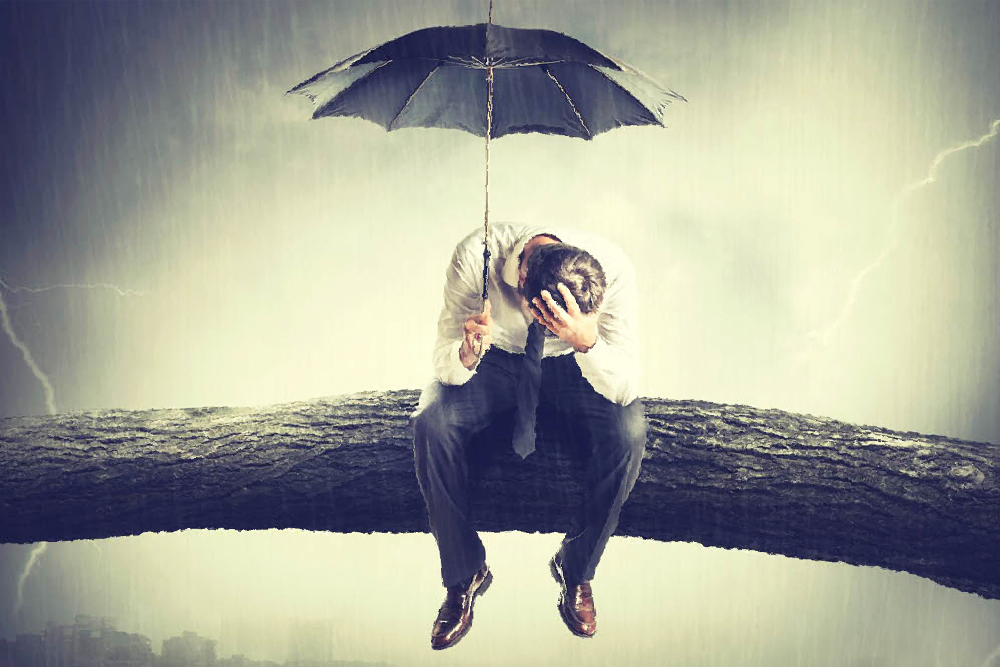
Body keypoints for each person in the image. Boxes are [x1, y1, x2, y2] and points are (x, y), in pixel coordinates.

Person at [411, 222, 646, 649]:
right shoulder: (475, 257)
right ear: (521, 280)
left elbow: (626, 386)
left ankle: (576, 569)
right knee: (432, 423)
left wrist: (586, 340)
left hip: (575, 362)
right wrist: (465, 353)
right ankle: (464, 574)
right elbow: (441, 358)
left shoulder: (613, 269)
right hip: (493, 355)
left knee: (629, 432)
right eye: (543, 316)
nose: (547, 325)